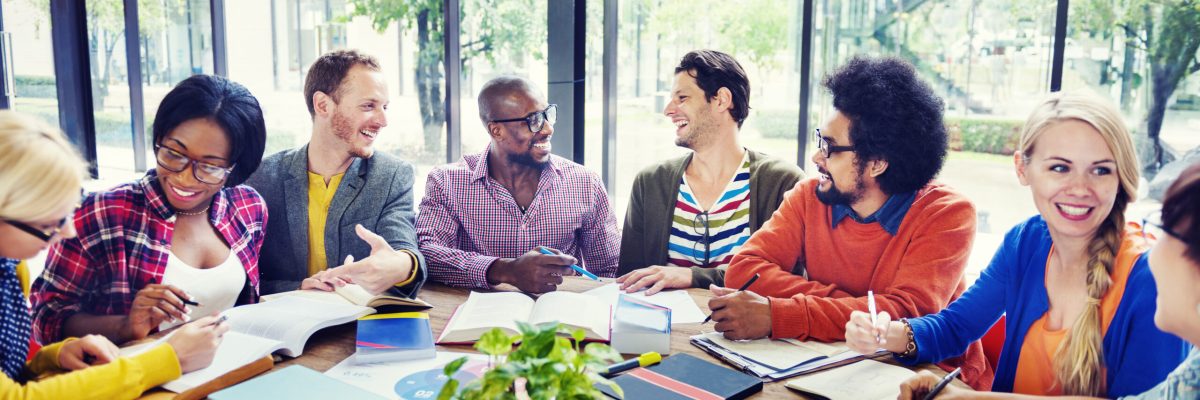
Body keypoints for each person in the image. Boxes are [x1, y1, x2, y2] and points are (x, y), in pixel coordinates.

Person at [845, 92, 1190, 398]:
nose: (1080, 188)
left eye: (1100, 171)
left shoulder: (1152, 277)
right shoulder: (1025, 243)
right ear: (1023, 168)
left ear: (1121, 177)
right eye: (1059, 167)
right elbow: (957, 327)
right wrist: (886, 334)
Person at [712, 56, 992, 388]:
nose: (817, 157)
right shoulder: (809, 195)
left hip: (929, 377)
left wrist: (781, 314)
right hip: (830, 361)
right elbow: (745, 268)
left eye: (830, 147)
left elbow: (905, 315)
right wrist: (851, 307)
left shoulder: (946, 214)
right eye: (820, 140)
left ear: (876, 163)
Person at [0, 111, 228, 398]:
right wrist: (169, 358)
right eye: (48, 224)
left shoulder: (9, 265)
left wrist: (54, 356)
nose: (68, 232)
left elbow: (9, 373)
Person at [32, 75, 267, 345]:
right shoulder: (103, 212)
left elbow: (248, 303)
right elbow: (45, 320)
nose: (185, 178)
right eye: (174, 154)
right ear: (159, 139)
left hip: (234, 371)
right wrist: (125, 326)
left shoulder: (248, 208)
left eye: (210, 167)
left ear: (236, 167)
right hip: (138, 381)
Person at [616, 50, 804, 295]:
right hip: (663, 330)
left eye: (682, 98)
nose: (668, 110)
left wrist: (693, 276)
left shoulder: (783, 182)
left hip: (748, 332)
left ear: (721, 100)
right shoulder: (650, 183)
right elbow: (629, 279)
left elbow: (782, 278)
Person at [245, 49, 426, 297]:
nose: (383, 120)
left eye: (384, 107)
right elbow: (242, 280)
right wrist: (297, 288)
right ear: (323, 105)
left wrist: (402, 265)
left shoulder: (392, 176)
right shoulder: (262, 178)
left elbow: (404, 248)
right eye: (368, 106)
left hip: (356, 328)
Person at [417, 76, 620, 293]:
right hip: (480, 317)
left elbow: (611, 270)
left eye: (547, 115)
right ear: (496, 131)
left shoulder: (585, 183)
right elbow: (427, 254)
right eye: (533, 120)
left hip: (561, 316)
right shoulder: (446, 182)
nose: (548, 128)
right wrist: (506, 270)